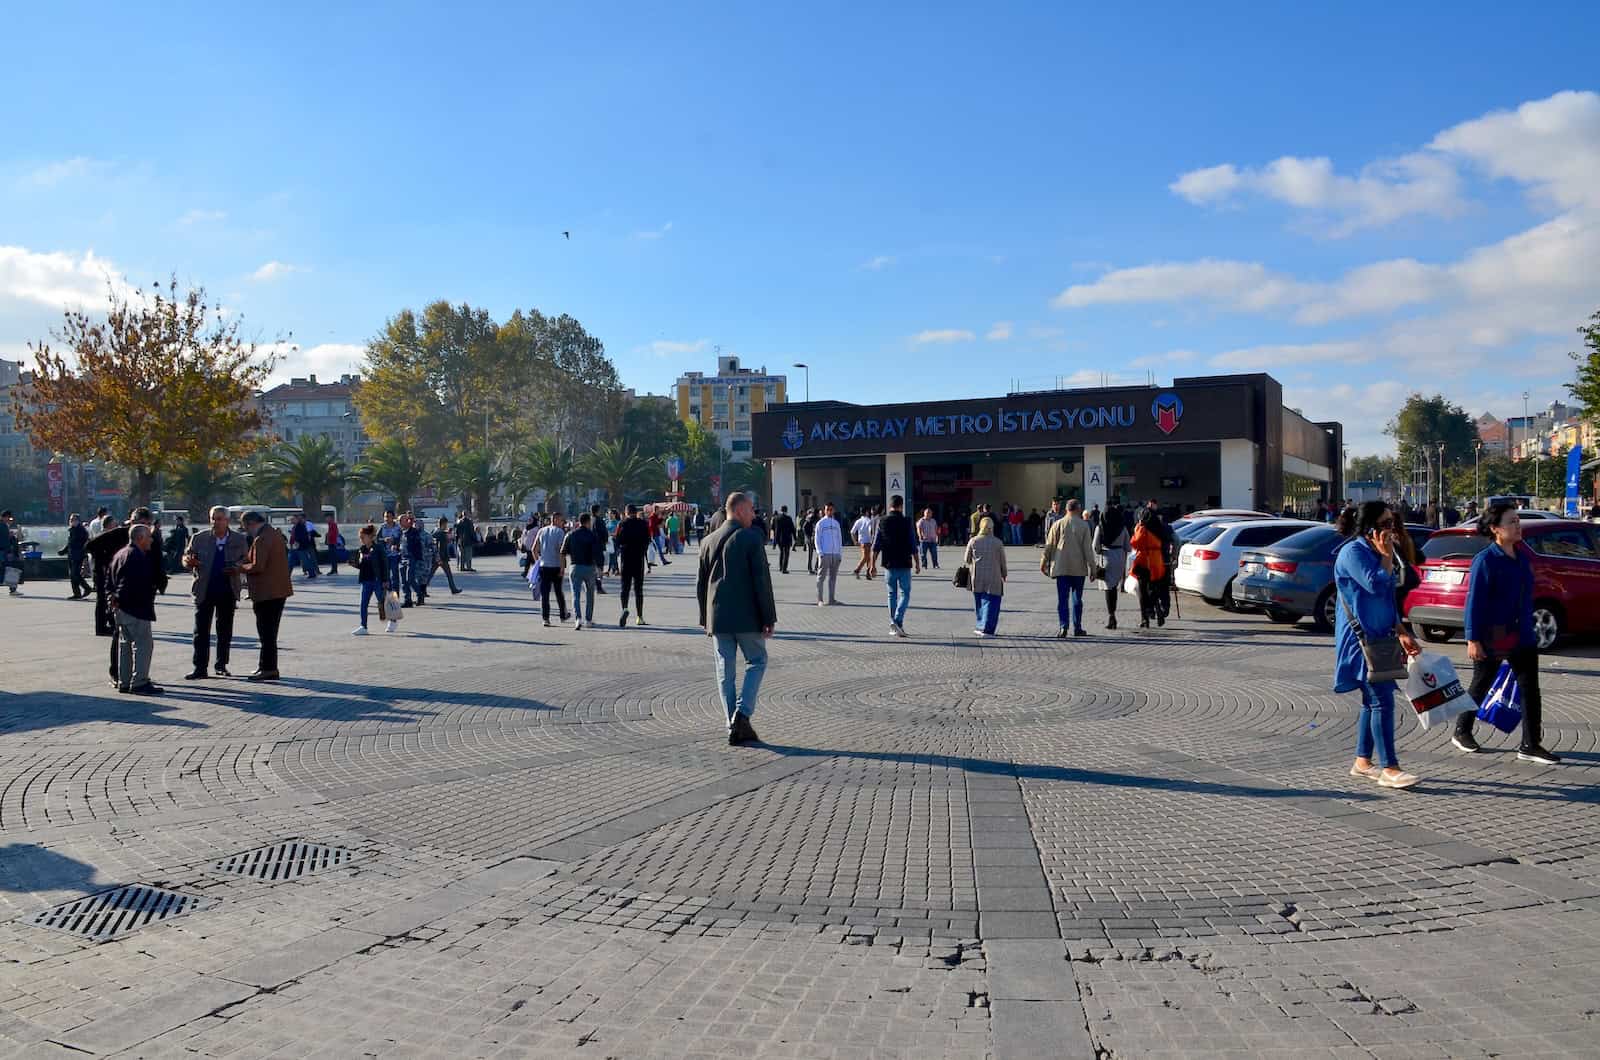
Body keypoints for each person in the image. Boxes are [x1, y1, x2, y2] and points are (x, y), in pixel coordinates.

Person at [1451, 502, 1560, 764]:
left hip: (1522, 634)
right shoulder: (1485, 561)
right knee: (1481, 684)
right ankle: (1462, 730)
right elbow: (1474, 602)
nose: (1517, 525)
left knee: (1530, 689)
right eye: (1511, 522)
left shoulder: (1522, 558)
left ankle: (1530, 744)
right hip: (1492, 635)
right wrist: (1472, 638)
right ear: (1495, 529)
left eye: (1518, 521)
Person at [1334, 502, 1421, 789]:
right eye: (1385, 525)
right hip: (1360, 638)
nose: (1391, 530)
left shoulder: (1376, 551)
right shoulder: (1353, 552)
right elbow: (1374, 583)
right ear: (1370, 528)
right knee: (1380, 698)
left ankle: (1362, 762)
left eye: (1392, 524)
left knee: (1373, 701)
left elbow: (1387, 596)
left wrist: (1401, 630)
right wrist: (1385, 556)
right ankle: (1390, 768)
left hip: (1382, 635)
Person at [696, 492, 777, 746]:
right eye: (751, 510)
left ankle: (732, 724)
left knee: (724, 670)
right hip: (747, 617)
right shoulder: (751, 539)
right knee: (757, 660)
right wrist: (768, 617)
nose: (754, 514)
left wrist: (704, 617)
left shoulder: (707, 540)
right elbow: (761, 581)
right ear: (740, 510)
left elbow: (701, 584)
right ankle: (742, 714)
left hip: (717, 618)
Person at [182, 505, 247, 679]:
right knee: (201, 630)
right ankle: (200, 667)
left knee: (224, 630)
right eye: (213, 518)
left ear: (227, 520)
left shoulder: (239, 539)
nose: (216, 522)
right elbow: (186, 558)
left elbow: (246, 560)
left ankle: (221, 665)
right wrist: (189, 562)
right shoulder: (199, 538)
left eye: (219, 519)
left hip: (227, 589)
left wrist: (237, 568)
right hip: (204, 589)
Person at [108, 524, 162, 695]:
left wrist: (114, 600)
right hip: (135, 608)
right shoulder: (136, 557)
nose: (151, 540)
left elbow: (109, 580)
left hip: (121, 608)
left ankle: (124, 681)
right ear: (140, 538)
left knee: (125, 645)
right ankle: (139, 682)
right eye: (149, 537)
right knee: (143, 645)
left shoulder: (120, 554)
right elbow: (130, 584)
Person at [239, 511, 292, 681]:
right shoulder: (274, 534)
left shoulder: (262, 539)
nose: (246, 530)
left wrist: (239, 568)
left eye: (245, 526)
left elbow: (257, 566)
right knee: (269, 632)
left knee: (266, 633)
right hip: (277, 591)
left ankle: (269, 668)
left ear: (251, 523)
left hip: (267, 592)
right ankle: (265, 666)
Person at [1042, 498, 1095, 638]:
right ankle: (1077, 628)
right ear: (1078, 509)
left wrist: (1043, 562)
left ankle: (1063, 627)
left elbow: (1049, 545)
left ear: (1066, 509)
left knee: (1062, 599)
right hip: (1078, 569)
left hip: (1061, 567)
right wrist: (1093, 569)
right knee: (1077, 599)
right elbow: (1088, 550)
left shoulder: (1058, 524)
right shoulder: (1084, 526)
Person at [871, 494, 920, 637]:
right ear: (901, 506)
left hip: (889, 564)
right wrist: (917, 562)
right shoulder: (906, 522)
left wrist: (872, 565)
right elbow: (913, 544)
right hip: (904, 563)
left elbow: (876, 545)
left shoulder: (882, 521)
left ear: (890, 506)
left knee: (891, 594)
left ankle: (894, 623)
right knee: (905, 593)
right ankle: (898, 621)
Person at [963, 517, 1007, 636]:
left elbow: (966, 559)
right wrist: (1004, 574)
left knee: (979, 602)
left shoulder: (973, 541)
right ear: (992, 527)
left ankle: (980, 625)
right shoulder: (998, 542)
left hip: (977, 576)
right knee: (992, 602)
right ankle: (988, 628)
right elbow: (1003, 561)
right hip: (994, 576)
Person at [561, 512, 604, 629]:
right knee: (590, 594)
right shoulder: (592, 535)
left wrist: (562, 567)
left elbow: (563, 552)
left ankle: (578, 619)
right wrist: (599, 568)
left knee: (575, 595)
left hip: (575, 566)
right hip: (589, 567)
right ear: (588, 522)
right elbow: (597, 553)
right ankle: (588, 620)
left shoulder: (570, 535)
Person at [350, 524, 394, 634]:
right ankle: (363, 626)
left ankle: (393, 621)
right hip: (365, 580)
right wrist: (354, 564)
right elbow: (361, 565)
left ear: (370, 537)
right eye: (360, 537)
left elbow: (385, 565)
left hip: (377, 580)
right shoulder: (362, 549)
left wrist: (386, 580)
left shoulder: (378, 548)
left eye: (362, 537)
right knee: (363, 604)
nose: (361, 539)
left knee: (383, 601)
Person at [1092, 501, 1129, 631]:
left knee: (1109, 589)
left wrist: (1099, 552)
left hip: (1106, 556)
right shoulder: (1122, 528)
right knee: (1114, 587)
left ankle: (1111, 615)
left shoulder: (1100, 527)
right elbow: (1128, 546)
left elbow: (1094, 547)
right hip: (1119, 558)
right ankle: (1113, 614)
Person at [614, 504, 652, 626]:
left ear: (626, 512)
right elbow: (648, 540)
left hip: (626, 559)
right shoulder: (643, 524)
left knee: (625, 588)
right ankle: (639, 617)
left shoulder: (622, 524)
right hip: (638, 559)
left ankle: (624, 608)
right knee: (638, 589)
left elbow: (617, 540)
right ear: (636, 512)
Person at [1129, 509, 1167, 629]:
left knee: (1143, 591)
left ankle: (1144, 618)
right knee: (1153, 589)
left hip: (1144, 561)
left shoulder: (1143, 528)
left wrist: (1138, 527)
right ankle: (1158, 611)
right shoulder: (1159, 527)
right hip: (1157, 561)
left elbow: (1135, 542)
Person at [398, 512, 435, 607]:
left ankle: (420, 594)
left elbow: (419, 544)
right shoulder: (400, 532)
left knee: (410, 579)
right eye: (399, 521)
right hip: (402, 558)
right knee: (403, 581)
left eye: (402, 521)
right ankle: (408, 600)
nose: (400, 523)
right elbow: (398, 542)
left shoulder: (414, 532)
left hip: (411, 558)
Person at [813, 501, 844, 606]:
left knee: (833, 578)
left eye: (831, 509)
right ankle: (820, 599)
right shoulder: (820, 523)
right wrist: (820, 552)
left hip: (835, 554)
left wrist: (840, 553)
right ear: (824, 511)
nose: (829, 511)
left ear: (833, 510)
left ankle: (831, 599)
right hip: (824, 553)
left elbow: (839, 539)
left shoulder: (836, 524)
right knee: (821, 577)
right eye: (827, 509)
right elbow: (817, 539)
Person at [60, 513, 91, 599]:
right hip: (71, 555)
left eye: (73, 520)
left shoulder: (81, 531)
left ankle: (86, 588)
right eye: (70, 519)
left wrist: (84, 555)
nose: (71, 521)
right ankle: (77, 593)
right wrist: (63, 551)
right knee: (72, 575)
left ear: (78, 521)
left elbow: (85, 544)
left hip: (78, 555)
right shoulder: (72, 530)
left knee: (75, 574)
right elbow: (70, 543)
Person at [431, 517, 463, 595]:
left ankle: (422, 589)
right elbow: (441, 545)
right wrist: (440, 557)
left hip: (436, 556)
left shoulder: (435, 531)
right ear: (444, 524)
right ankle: (453, 589)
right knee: (448, 574)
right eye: (446, 524)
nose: (446, 525)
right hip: (442, 557)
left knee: (430, 574)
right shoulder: (441, 533)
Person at [288, 513, 319, 579]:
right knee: (291, 561)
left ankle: (312, 573)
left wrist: (298, 542)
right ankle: (287, 574)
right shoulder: (295, 527)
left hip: (300, 546)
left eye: (293, 519)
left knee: (305, 561)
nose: (291, 521)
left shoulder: (300, 526)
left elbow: (303, 536)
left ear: (297, 519)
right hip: (296, 546)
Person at [377, 510, 403, 590]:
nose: (386, 519)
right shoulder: (382, 527)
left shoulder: (398, 527)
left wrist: (394, 541)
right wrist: (384, 540)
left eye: (388, 516)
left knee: (394, 576)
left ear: (393, 517)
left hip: (394, 554)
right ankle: (386, 596)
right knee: (385, 576)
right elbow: (377, 539)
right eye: (385, 517)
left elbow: (402, 539)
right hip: (385, 555)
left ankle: (395, 596)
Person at [851, 507, 877, 579]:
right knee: (866, 557)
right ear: (867, 512)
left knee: (868, 558)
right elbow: (870, 531)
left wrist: (855, 541)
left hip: (861, 541)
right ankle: (857, 569)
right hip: (868, 541)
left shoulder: (858, 521)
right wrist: (873, 539)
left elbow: (852, 532)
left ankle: (868, 573)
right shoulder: (869, 521)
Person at [771, 505, 797, 574]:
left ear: (781, 510)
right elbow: (792, 529)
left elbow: (775, 529)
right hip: (787, 538)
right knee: (786, 553)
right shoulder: (788, 518)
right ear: (786, 510)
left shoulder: (776, 518)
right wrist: (795, 538)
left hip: (779, 538)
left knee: (781, 553)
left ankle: (780, 567)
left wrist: (774, 541)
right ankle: (784, 568)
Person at [0, 510, 19, 595]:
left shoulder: (4, 525)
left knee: (7, 570)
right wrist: (9, 551)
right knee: (10, 570)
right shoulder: (3, 526)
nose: (10, 520)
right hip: (3, 551)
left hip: (3, 551)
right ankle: (13, 589)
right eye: (9, 518)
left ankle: (13, 588)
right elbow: (5, 540)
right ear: (5, 517)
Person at [802, 507, 820, 574]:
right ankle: (812, 569)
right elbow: (804, 527)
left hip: (813, 538)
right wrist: (808, 537)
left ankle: (812, 568)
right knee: (814, 554)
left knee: (813, 554)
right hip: (811, 539)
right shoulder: (811, 518)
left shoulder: (812, 518)